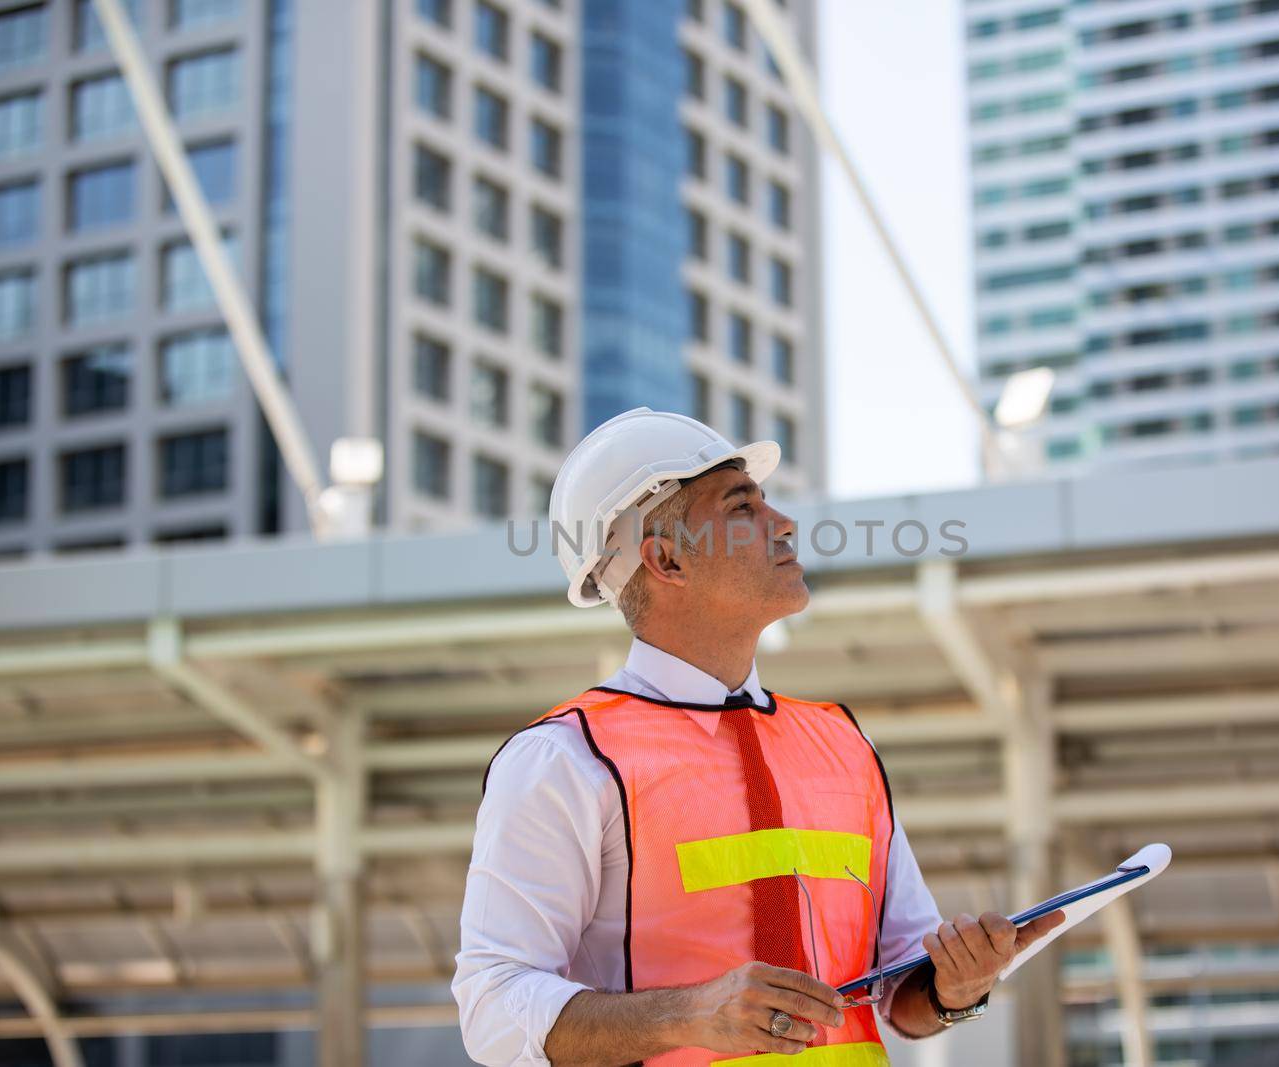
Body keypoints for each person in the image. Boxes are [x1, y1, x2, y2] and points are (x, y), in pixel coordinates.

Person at [453, 408, 1064, 1066]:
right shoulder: (563, 760)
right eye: (742, 507)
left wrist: (956, 986)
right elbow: (492, 1005)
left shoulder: (842, 744)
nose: (784, 525)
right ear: (666, 558)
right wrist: (685, 1011)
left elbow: (902, 991)